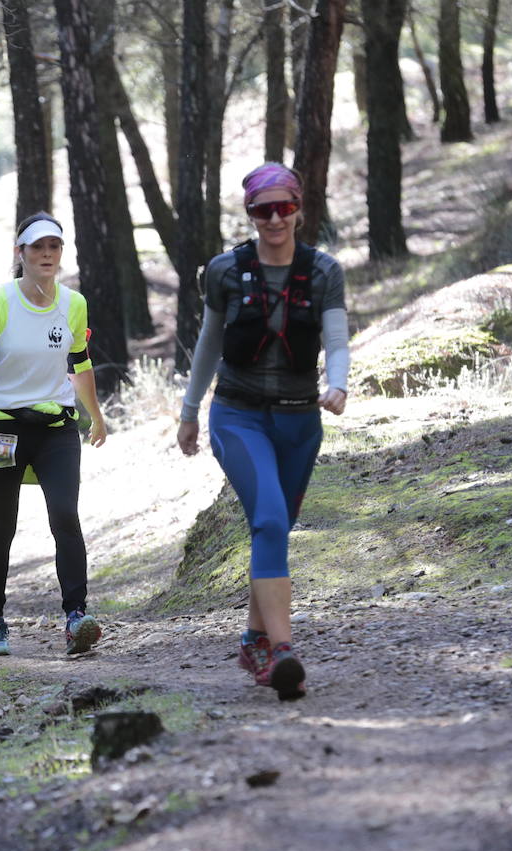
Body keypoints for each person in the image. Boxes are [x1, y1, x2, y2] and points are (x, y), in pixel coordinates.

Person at [176, 163, 350, 701]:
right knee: (271, 518)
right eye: (262, 209)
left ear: (299, 208)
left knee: (274, 529)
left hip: (301, 419)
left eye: (284, 207)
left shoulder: (323, 272)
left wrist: (338, 383)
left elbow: (337, 339)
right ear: (249, 213)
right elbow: (208, 344)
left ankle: (254, 640)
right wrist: (188, 410)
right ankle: (282, 653)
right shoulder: (227, 271)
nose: (274, 218)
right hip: (238, 414)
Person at [0, 212, 108, 658]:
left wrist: (96, 417)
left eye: (54, 247)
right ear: (19, 253)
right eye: (37, 247)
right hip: (2, 428)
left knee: (65, 515)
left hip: (56, 427)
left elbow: (79, 365)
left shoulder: (74, 303)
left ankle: (77, 618)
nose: (47, 255)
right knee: (1, 525)